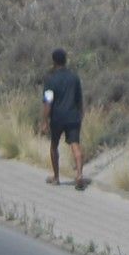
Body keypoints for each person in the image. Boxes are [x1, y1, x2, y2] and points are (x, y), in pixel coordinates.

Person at [42, 47, 85, 189]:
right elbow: (79, 99)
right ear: (65, 60)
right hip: (73, 116)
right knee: (75, 145)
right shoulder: (74, 78)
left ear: (54, 61)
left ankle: (56, 177)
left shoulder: (50, 79)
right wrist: (80, 114)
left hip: (57, 117)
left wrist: (44, 121)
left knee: (54, 145)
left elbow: (48, 101)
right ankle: (79, 174)